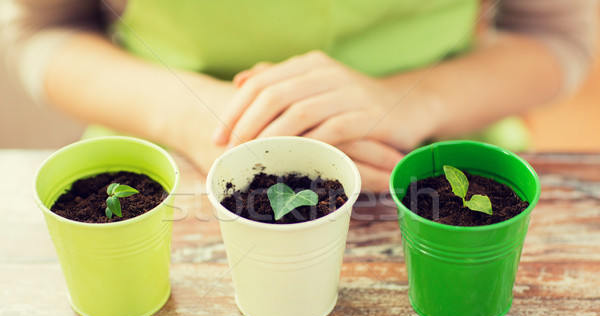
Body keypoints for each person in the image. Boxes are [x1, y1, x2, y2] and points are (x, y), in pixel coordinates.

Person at [1, 0, 597, 192]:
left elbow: (558, 36)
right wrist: (190, 112)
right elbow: (43, 29)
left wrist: (413, 101)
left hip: (440, 155)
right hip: (170, 160)